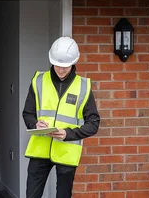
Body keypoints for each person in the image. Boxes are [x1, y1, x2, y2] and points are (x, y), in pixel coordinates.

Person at [22, 36, 100, 198]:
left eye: (65, 66)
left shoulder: (83, 87)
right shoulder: (38, 81)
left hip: (66, 151)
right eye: (57, 65)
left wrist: (68, 134)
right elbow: (27, 113)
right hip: (40, 150)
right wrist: (35, 125)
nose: (61, 70)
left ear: (73, 62)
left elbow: (93, 123)